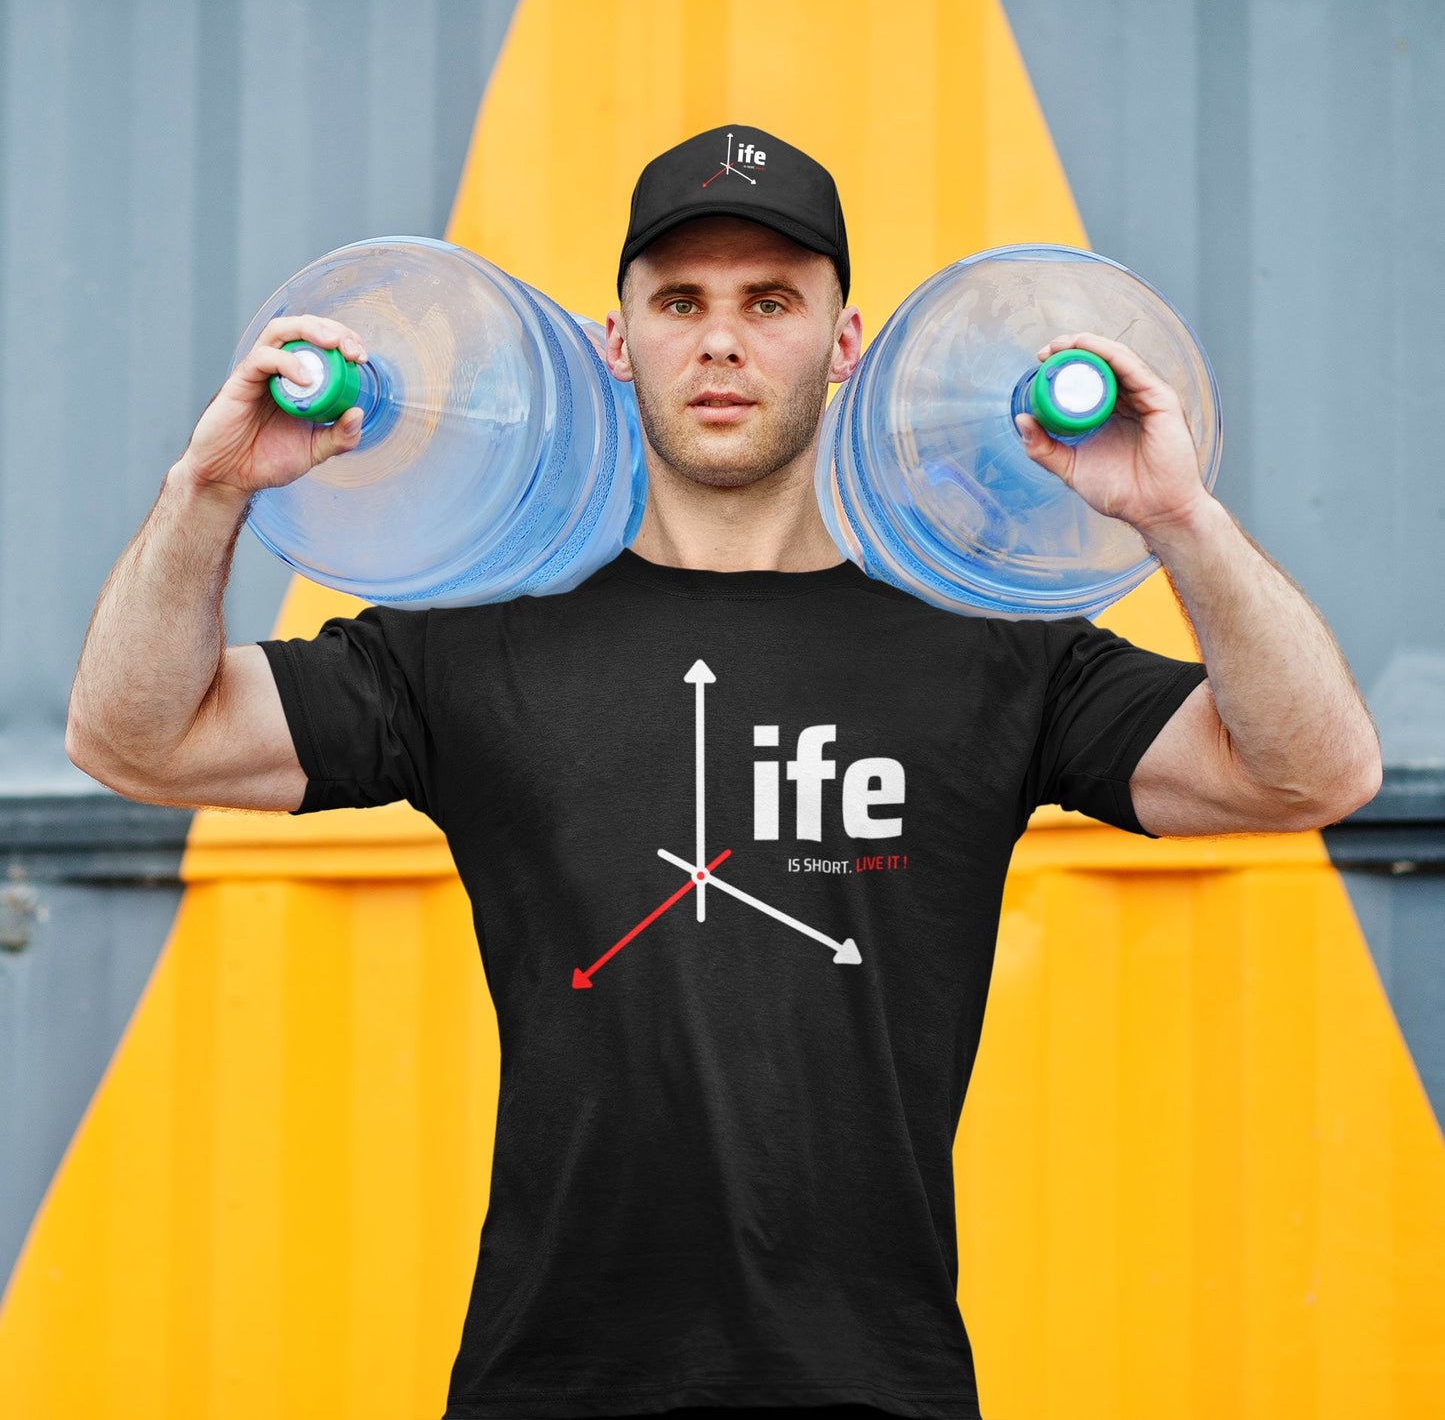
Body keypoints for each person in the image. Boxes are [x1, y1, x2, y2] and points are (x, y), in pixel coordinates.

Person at [65, 125, 1381, 1420]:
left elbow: (1308, 770)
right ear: (614, 337)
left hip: (877, 1380)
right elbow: (136, 735)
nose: (721, 341)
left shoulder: (991, 652)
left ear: (846, 342)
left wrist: (1174, 517)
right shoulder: (470, 642)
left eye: (770, 300)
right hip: (556, 1383)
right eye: (679, 299)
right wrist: (211, 488)